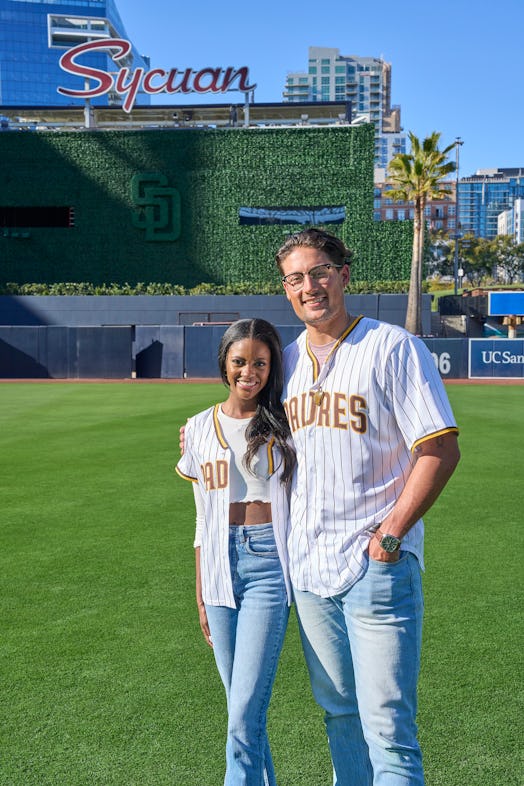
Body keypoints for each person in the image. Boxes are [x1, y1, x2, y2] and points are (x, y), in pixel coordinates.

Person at [275, 228, 460, 786]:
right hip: (309, 571)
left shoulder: (393, 346)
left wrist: (391, 536)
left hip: (375, 567)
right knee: (340, 717)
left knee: (388, 730)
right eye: (295, 278)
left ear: (343, 274)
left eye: (319, 272)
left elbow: (439, 449)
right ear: (285, 290)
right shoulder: (284, 362)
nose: (309, 286)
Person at [176, 318, 295, 786]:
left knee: (245, 708)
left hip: (268, 563)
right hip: (219, 566)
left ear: (272, 367)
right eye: (240, 361)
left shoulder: (287, 421)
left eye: (260, 362)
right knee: (239, 709)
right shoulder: (199, 427)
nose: (250, 371)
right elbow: (202, 517)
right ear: (225, 363)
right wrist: (201, 592)